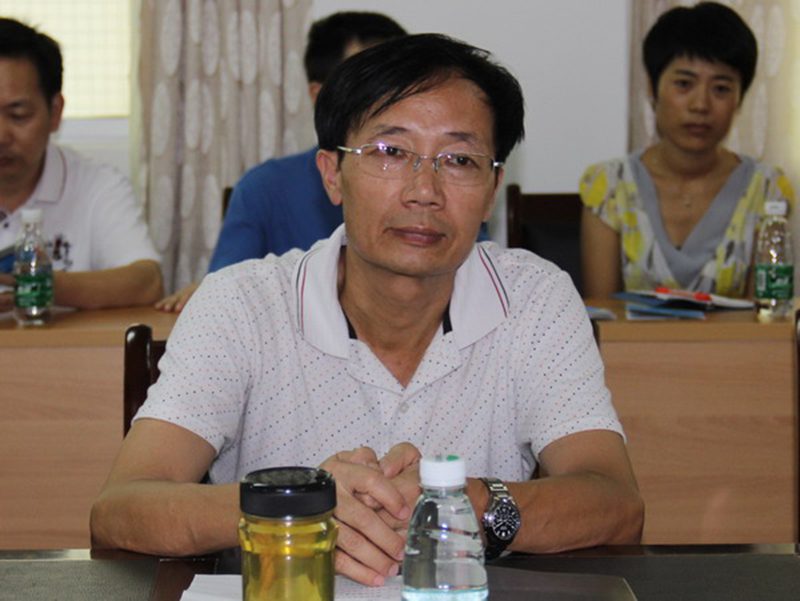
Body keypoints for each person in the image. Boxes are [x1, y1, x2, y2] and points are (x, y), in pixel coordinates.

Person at [91, 33, 643, 586]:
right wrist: (293, 506)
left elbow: (615, 503)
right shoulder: (241, 304)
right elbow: (121, 510)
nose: (424, 191)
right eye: (390, 153)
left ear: (493, 187)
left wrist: (469, 503)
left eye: (459, 160)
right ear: (332, 174)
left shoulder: (535, 299)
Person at [155, 11, 407, 312]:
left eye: (403, 85)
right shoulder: (264, 187)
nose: (391, 102)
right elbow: (226, 294)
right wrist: (210, 292)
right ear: (320, 96)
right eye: (370, 87)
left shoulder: (434, 182)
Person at [580, 1, 796, 299]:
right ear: (652, 89)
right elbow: (600, 314)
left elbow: (765, 315)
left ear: (740, 99)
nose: (700, 105)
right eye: (684, 84)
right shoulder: (609, 187)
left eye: (721, 88)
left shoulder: (767, 190)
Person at [0, 18, 162, 311]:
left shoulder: (97, 186)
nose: (2, 136)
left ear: (55, 112)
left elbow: (147, 281)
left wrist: (42, 285)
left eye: (18, 115)